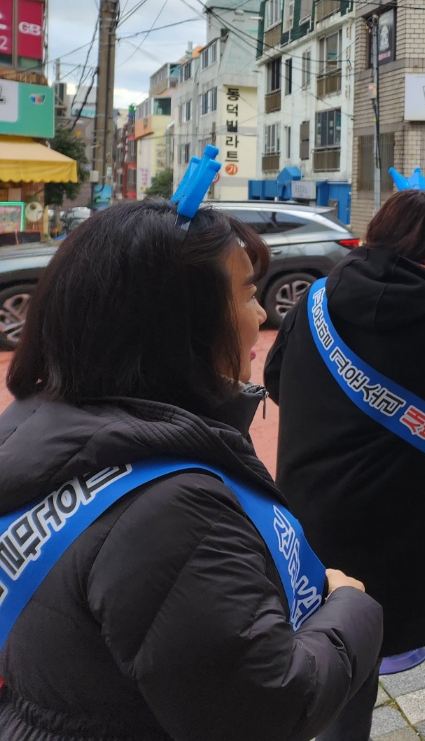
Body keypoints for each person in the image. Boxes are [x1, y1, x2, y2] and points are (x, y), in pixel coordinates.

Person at [0, 200, 382, 740]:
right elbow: (265, 710)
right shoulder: (173, 510)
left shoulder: (40, 431)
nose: (260, 317)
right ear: (181, 327)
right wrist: (352, 608)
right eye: (248, 294)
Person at [266, 188, 425, 739]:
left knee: (328, 636)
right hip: (395, 513)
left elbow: (274, 379)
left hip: (311, 499)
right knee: (365, 640)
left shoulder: (315, 301)